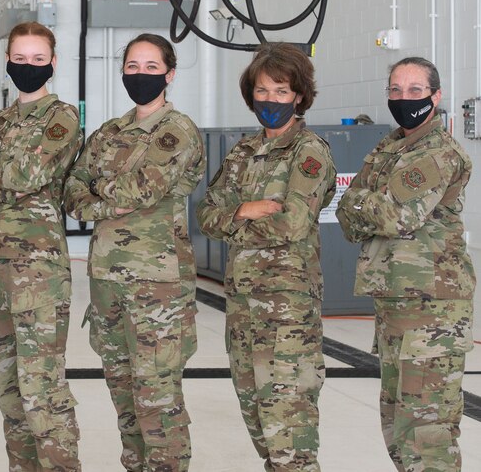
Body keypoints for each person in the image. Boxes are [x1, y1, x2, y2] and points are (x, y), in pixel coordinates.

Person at [63, 33, 205, 472]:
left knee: (157, 396)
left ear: (170, 73)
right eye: (132, 67)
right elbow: (71, 191)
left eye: (150, 67)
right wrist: (106, 197)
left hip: (157, 284)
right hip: (107, 280)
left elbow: (142, 189)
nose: (140, 75)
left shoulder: (176, 131)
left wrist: (98, 193)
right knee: (123, 393)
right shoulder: (110, 132)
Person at [195, 42, 336, 471]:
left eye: (280, 90)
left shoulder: (308, 152)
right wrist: (244, 210)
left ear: (298, 95)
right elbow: (205, 215)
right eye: (262, 90)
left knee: (289, 433)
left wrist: (231, 220)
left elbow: (293, 224)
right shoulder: (242, 152)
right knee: (258, 420)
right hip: (243, 309)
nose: (270, 100)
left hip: (287, 312)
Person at [336, 57, 475, 472]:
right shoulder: (392, 145)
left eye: (415, 90)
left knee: (426, 430)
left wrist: (361, 204)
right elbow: (347, 213)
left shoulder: (438, 152)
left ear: (436, 96)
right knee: (398, 423)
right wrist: (362, 205)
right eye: (395, 90)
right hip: (397, 303)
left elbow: (396, 215)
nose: (403, 98)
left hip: (431, 310)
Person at [0, 22, 82, 472]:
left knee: (42, 386)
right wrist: (0, 178)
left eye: (37, 58)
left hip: (38, 266)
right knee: (9, 388)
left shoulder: (61, 117)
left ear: (52, 62)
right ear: (7, 60)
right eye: (19, 58)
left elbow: (23, 176)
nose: (27, 66)